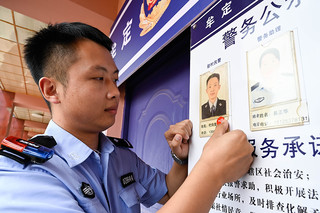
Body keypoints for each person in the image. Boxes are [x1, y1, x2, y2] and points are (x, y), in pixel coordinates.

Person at [0, 22, 253, 213]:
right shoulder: (23, 174)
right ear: (51, 90)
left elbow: (169, 192)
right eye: (98, 79)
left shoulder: (121, 156)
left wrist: (179, 158)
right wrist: (212, 170)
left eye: (115, 80)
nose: (113, 92)